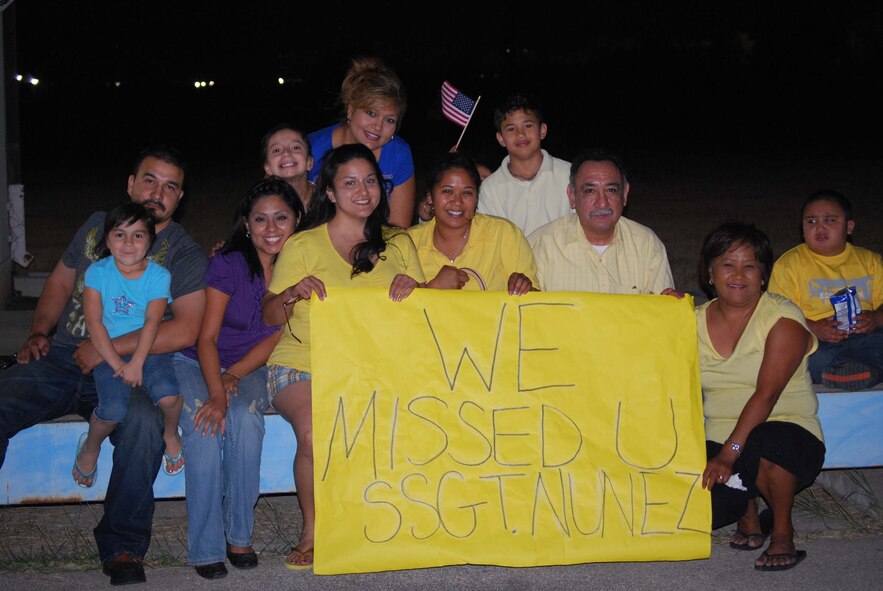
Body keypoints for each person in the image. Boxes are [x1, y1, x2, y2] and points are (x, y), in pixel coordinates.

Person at [0, 146, 207, 586]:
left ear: (179, 197)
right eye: (149, 180)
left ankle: (123, 546)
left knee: (144, 422)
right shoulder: (99, 225)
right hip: (61, 357)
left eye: (170, 186)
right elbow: (59, 279)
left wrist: (106, 346)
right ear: (131, 184)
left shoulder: (184, 253)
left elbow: (186, 329)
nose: (158, 192)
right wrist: (39, 330)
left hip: (125, 366)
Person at [263, 143, 425, 570]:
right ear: (330, 193)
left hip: (375, 365)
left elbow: (425, 315)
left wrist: (416, 290)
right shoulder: (301, 246)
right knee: (317, 432)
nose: (362, 191)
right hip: (303, 361)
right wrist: (292, 293)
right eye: (349, 182)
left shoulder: (398, 242)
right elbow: (267, 315)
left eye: (370, 181)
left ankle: (381, 522)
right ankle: (313, 531)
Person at [174, 177, 304, 579]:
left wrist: (233, 377)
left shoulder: (302, 265)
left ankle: (239, 534)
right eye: (260, 219)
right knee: (204, 425)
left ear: (297, 219)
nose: (271, 228)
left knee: (247, 418)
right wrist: (216, 391)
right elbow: (206, 337)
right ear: (246, 224)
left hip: (250, 365)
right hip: (197, 361)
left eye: (281, 218)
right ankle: (205, 547)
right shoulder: (229, 261)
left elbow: (278, 335)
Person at [697, 221, 825, 572]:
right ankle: (749, 515)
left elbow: (766, 395)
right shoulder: (690, 321)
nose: (738, 274)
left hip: (785, 432)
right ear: (710, 272)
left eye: (750, 265)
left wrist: (728, 454)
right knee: (698, 504)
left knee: (767, 442)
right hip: (721, 440)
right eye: (727, 264)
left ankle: (782, 531)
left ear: (764, 275)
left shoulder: (783, 318)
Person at [74, 202, 182, 489]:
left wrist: (136, 362)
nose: (128, 243)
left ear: (150, 240)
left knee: (169, 396)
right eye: (119, 234)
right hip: (109, 350)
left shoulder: (159, 276)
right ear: (107, 239)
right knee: (112, 410)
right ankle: (91, 445)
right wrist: (118, 363)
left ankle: (171, 433)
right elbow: (95, 324)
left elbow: (152, 323)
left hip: (149, 348)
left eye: (138, 235)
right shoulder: (98, 273)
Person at [768, 190, 882, 390]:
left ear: (849, 227)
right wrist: (813, 327)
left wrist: (874, 319)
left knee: (876, 344)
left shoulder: (870, 261)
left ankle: (850, 371)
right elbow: (776, 315)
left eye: (830, 220)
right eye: (811, 222)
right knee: (803, 357)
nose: (820, 227)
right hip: (817, 340)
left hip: (865, 336)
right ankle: (854, 372)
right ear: (802, 228)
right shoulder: (789, 264)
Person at [527, 148, 676, 295]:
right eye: (590, 191)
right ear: (572, 196)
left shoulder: (646, 245)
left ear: (624, 194)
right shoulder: (541, 245)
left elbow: (664, 312)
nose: (602, 203)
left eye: (611, 190)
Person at [307, 56, 415, 228]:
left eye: (389, 120)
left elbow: (399, 228)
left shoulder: (398, 154)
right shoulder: (310, 148)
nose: (377, 127)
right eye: (371, 113)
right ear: (350, 110)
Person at [408, 152, 536, 294]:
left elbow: (535, 305)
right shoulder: (408, 243)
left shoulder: (504, 235)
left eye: (467, 193)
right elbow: (391, 310)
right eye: (447, 191)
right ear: (430, 196)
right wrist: (433, 288)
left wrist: (524, 287)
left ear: (477, 197)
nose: (457, 201)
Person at [476, 93, 572, 236]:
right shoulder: (490, 189)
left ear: (542, 130)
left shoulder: (570, 175)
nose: (520, 134)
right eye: (511, 129)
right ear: (501, 138)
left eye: (528, 125)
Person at [262, 123, 316, 211]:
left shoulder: (328, 200)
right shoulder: (259, 207)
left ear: (309, 162)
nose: (286, 153)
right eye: (276, 150)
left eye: (295, 148)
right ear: (267, 167)